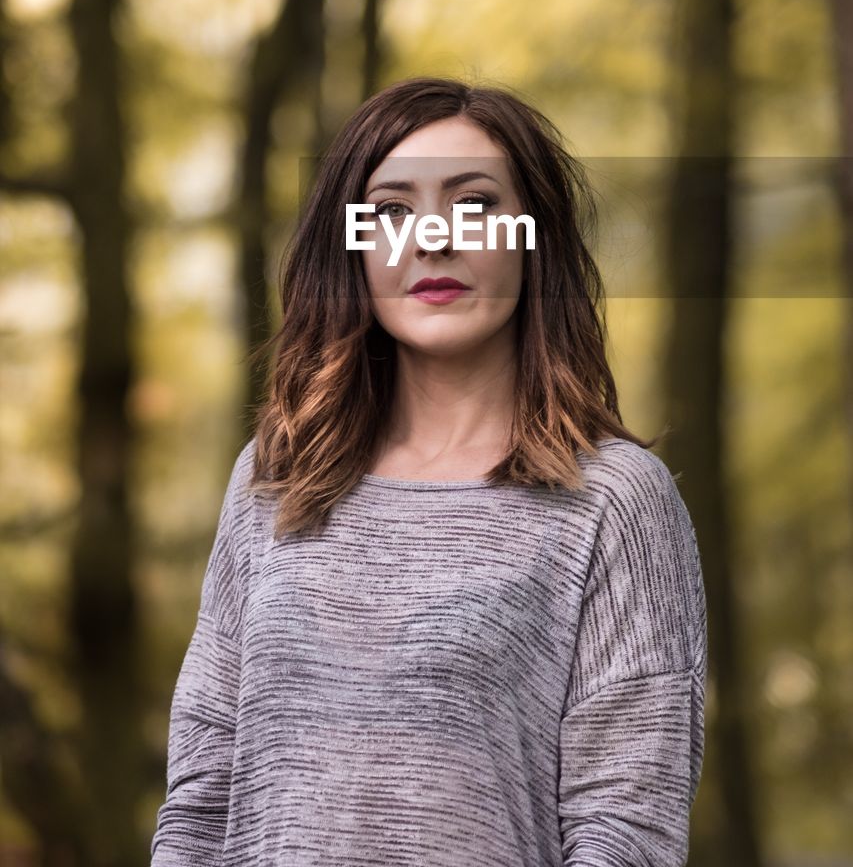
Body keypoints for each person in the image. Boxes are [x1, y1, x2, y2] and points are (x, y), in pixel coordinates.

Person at [150, 75, 707, 867]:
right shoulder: (274, 479)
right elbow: (200, 798)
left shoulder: (612, 500)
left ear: (531, 238)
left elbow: (628, 831)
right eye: (389, 212)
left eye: (474, 204)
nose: (431, 240)